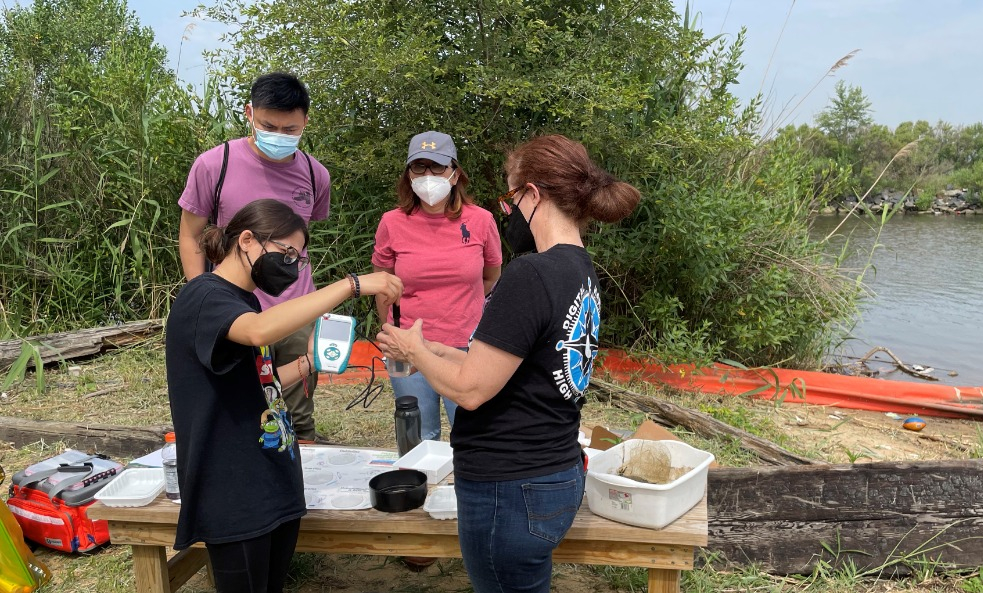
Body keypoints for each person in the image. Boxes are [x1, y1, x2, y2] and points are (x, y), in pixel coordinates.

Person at [377, 135, 640, 592]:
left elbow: (470, 390)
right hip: (554, 473)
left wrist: (415, 350)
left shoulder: (529, 273)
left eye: (510, 197)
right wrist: (436, 350)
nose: (506, 212)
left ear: (533, 195)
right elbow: (517, 367)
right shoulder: (581, 268)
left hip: (510, 490)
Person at [166, 199, 402, 593]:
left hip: (271, 480)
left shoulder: (246, 300)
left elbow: (260, 380)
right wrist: (353, 285)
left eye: (298, 257)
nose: (291, 265)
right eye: (286, 252)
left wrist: (311, 362)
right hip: (233, 491)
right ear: (246, 240)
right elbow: (259, 332)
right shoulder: (203, 297)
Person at [176, 72, 331, 443]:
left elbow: (302, 241)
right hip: (236, 311)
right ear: (249, 113)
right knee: (240, 410)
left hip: (295, 309)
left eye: (289, 128)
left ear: (305, 122)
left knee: (294, 414)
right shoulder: (216, 164)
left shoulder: (315, 174)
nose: (278, 134)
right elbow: (190, 234)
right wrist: (203, 297)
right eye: (268, 125)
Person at [372, 131, 502, 441]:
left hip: (467, 347)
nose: (428, 175)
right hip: (407, 347)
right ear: (409, 174)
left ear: (455, 174)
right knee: (418, 434)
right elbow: (382, 285)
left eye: (438, 167)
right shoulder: (391, 222)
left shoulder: (481, 221)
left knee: (471, 435)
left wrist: (461, 308)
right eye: (420, 167)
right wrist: (391, 332)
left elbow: (492, 276)